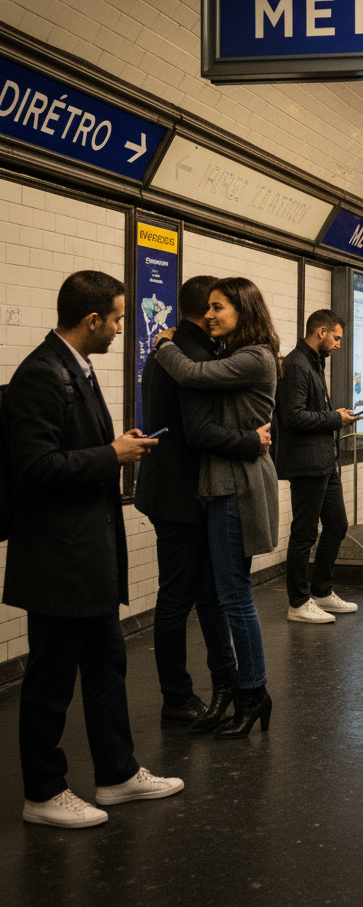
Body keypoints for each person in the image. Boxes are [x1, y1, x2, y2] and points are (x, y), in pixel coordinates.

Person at [2, 270, 182, 828]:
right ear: (92, 320)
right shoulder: (40, 374)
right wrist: (112, 454)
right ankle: (43, 791)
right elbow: (34, 468)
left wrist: (117, 451)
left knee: (107, 663)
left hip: (86, 552)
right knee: (51, 678)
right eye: (119, 318)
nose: (122, 328)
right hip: (57, 556)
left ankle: (117, 774)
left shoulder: (74, 369)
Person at [136, 275, 268, 732]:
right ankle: (182, 696)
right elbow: (198, 432)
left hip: (184, 490)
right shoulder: (189, 354)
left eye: (221, 308)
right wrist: (252, 440)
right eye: (210, 308)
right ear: (203, 311)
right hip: (184, 494)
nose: (213, 316)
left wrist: (160, 343)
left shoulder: (200, 353)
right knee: (187, 597)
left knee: (211, 595)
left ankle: (231, 686)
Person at [276, 309, 360, 624]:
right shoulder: (296, 364)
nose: (338, 344)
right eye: (336, 337)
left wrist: (333, 414)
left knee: (337, 525)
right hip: (306, 463)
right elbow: (293, 417)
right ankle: (298, 602)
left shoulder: (313, 362)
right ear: (321, 331)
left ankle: (322, 591)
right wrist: (335, 418)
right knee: (305, 532)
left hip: (324, 461)